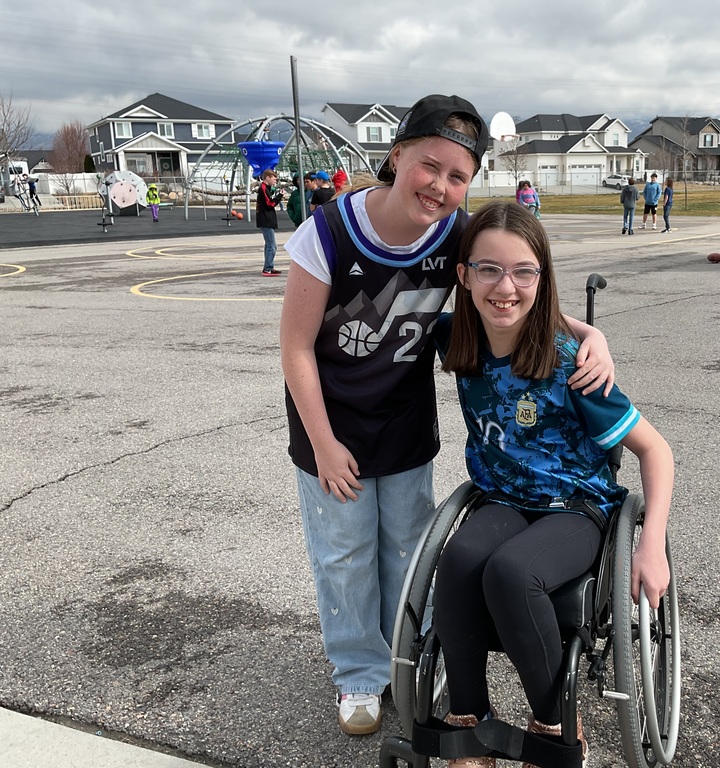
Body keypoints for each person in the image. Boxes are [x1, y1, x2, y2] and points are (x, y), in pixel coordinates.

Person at [278, 94, 614, 737]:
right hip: (331, 421)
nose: (439, 185)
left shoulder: (455, 235)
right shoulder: (327, 232)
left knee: (408, 549)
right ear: (397, 155)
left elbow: (510, 285)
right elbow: (295, 348)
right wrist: (321, 441)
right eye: (429, 166)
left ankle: (406, 657)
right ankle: (358, 672)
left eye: (458, 176)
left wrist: (585, 333)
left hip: (403, 418)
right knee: (345, 553)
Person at [430, 201, 675, 767]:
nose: (505, 287)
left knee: (512, 572)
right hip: (502, 498)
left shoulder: (574, 366)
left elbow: (656, 451)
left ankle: (555, 724)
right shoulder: (455, 337)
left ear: (542, 278)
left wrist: (652, 545)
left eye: (523, 271)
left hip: (575, 506)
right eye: (489, 269)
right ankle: (469, 719)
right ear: (464, 275)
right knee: (458, 559)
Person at [255, 168, 284, 276]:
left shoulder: (265, 188)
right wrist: (279, 196)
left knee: (270, 245)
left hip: (266, 219)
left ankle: (269, 266)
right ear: (267, 178)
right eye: (273, 179)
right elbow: (270, 204)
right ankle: (268, 268)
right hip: (265, 219)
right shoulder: (263, 188)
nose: (275, 181)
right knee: (271, 245)